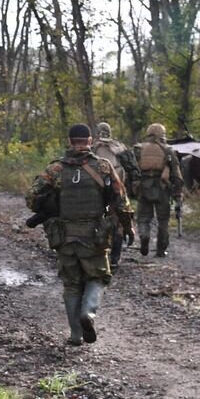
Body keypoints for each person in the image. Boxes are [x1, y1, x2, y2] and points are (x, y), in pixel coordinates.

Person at [26, 123, 132, 346]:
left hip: (64, 235)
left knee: (72, 284)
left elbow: (32, 198)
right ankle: (88, 314)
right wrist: (127, 226)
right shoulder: (103, 167)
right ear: (90, 141)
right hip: (94, 235)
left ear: (69, 141)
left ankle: (75, 335)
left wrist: (52, 205)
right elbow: (121, 201)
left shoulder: (55, 170)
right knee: (98, 277)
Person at [92, 121, 140, 272]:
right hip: (117, 189)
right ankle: (115, 258)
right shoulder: (119, 147)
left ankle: (99, 255)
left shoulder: (92, 147)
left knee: (97, 221)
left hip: (96, 192)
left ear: (97, 132)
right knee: (119, 223)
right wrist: (131, 191)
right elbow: (133, 169)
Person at [133, 122, 184, 257]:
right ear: (162, 134)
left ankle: (144, 235)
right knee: (163, 220)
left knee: (143, 218)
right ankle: (161, 250)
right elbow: (176, 174)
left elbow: (131, 171)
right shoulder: (168, 150)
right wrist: (178, 193)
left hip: (143, 187)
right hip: (162, 187)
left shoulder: (138, 149)